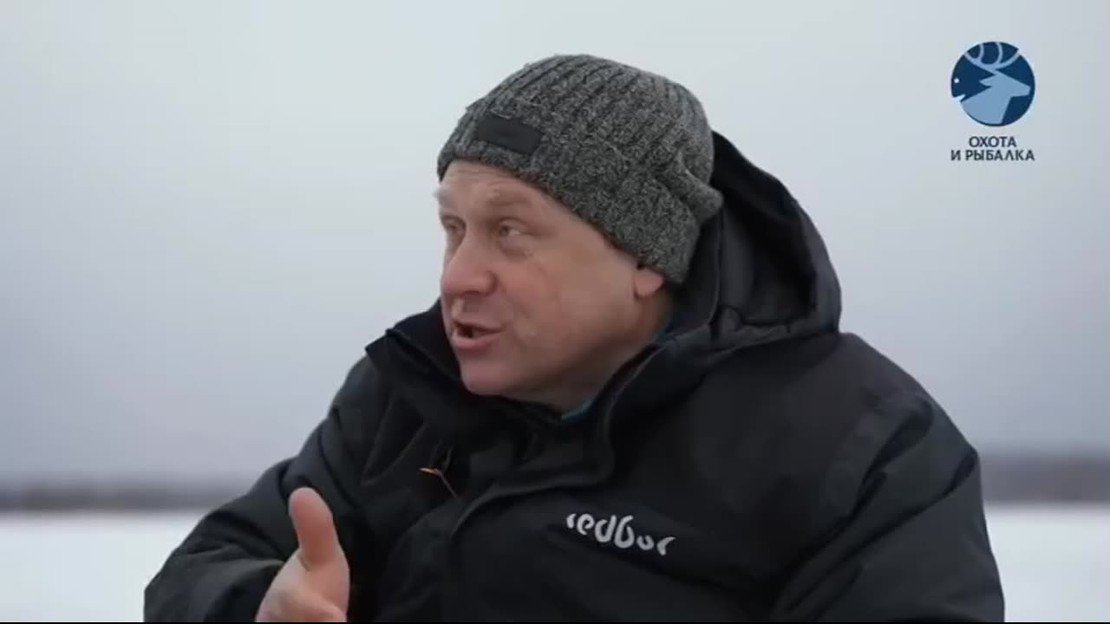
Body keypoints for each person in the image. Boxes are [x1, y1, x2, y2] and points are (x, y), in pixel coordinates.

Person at [144, 54, 1004, 622]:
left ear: (647, 257)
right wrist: (259, 606)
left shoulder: (859, 446)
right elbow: (203, 569)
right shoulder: (406, 397)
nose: (458, 277)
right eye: (453, 229)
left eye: (510, 232)